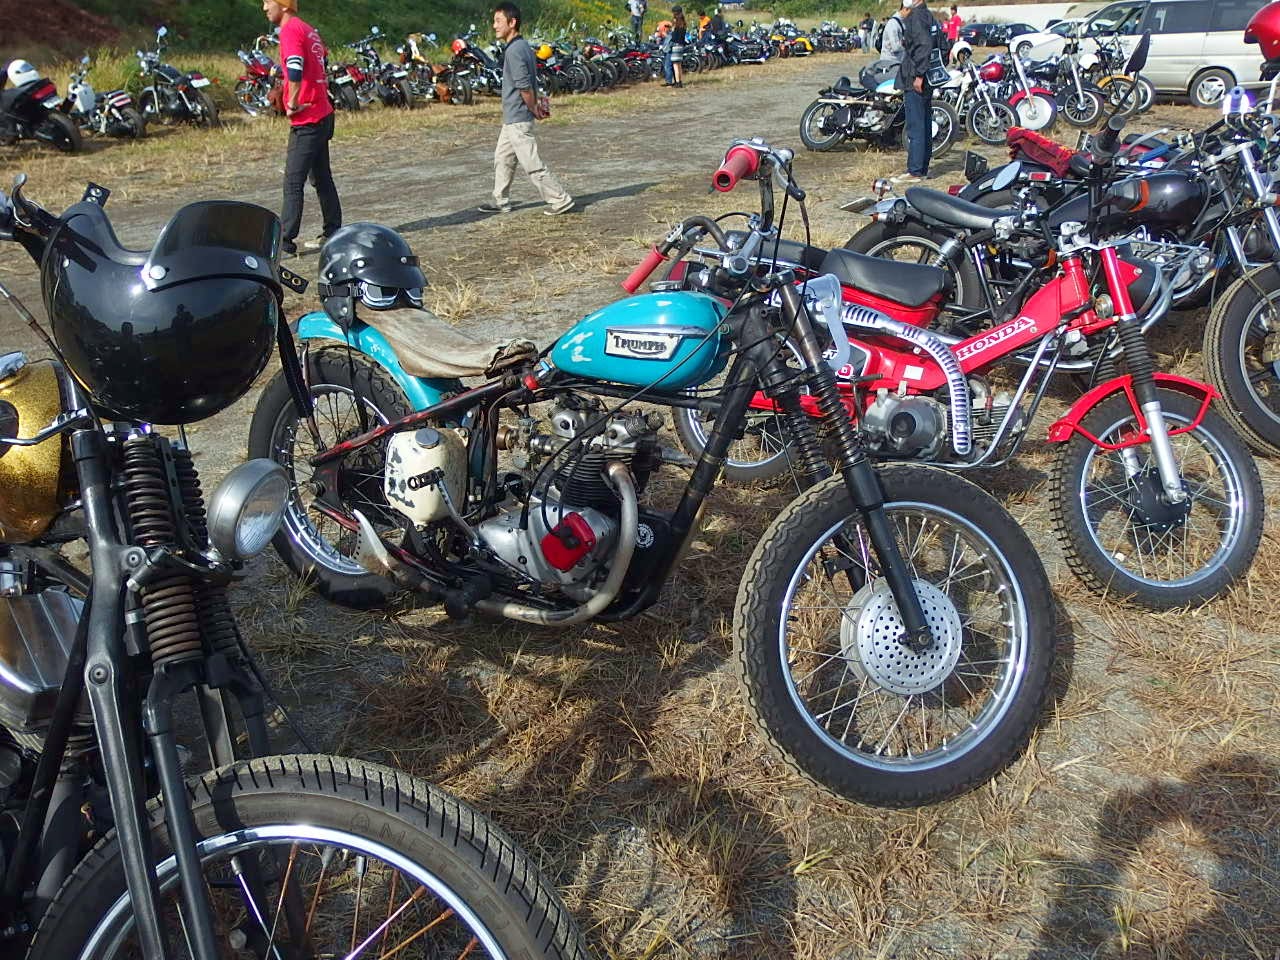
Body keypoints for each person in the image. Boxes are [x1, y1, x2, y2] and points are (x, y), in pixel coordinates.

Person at [480, 1, 574, 216]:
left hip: (519, 117)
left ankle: (560, 199)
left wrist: (533, 107)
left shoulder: (514, 50)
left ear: (512, 22)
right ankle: (500, 200)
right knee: (503, 158)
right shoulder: (523, 46)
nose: (494, 26)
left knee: (532, 163)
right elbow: (531, 82)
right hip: (513, 117)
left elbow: (524, 85)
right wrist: (535, 104)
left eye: (498, 21)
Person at [263, 0, 341, 256]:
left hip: (307, 117)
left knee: (293, 181)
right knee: (321, 178)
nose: (264, 8)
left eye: (268, 2)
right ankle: (333, 232)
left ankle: (285, 242)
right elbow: (321, 60)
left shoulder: (289, 31)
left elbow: (295, 67)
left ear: (284, 5)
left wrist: (293, 101)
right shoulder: (308, 29)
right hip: (323, 112)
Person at [894, 0, 939, 184]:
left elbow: (924, 45)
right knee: (925, 123)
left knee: (916, 125)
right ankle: (922, 168)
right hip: (927, 76)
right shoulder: (929, 16)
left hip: (915, 77)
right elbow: (942, 45)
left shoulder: (917, 17)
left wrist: (919, 74)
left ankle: (914, 171)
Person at [667, 6, 688, 88]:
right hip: (681, 45)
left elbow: (674, 36)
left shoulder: (676, 23)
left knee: (675, 65)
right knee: (679, 65)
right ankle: (680, 81)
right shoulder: (683, 22)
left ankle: (678, 82)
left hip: (675, 45)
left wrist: (671, 30)